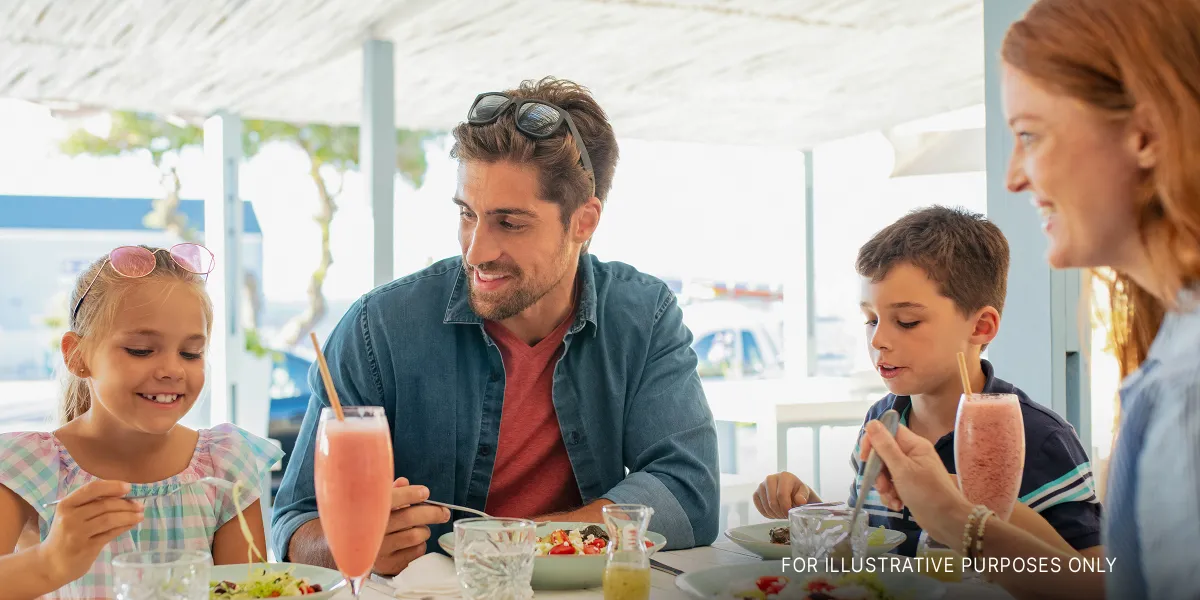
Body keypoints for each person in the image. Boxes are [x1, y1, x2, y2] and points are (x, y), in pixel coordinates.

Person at [272, 77, 720, 575]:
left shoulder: (643, 314)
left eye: (509, 223)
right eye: (468, 214)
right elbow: (295, 523)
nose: (475, 251)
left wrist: (522, 546)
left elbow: (688, 491)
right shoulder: (377, 328)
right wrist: (351, 543)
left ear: (584, 221)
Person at [858, 0, 1200, 598]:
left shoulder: (1184, 388)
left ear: (1144, 133)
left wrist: (964, 521)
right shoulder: (1170, 356)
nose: (1014, 176)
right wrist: (960, 518)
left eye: (1029, 135)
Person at [753, 207, 1101, 557]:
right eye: (871, 320)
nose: (878, 340)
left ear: (980, 327)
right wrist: (810, 511)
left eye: (906, 321)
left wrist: (960, 503)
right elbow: (871, 544)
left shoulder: (1041, 438)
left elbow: (1093, 581)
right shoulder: (882, 421)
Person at [0, 245, 282, 599]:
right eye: (141, 350)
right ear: (77, 355)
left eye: (190, 353)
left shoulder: (226, 465)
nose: (172, 370)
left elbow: (247, 591)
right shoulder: (24, 466)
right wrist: (50, 561)